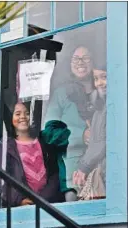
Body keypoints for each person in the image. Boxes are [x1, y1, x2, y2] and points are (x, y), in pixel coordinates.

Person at [43, 46, 95, 201]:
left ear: (92, 62)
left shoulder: (103, 89)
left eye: (85, 58)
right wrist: (81, 135)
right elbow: (49, 132)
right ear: (70, 64)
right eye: (76, 58)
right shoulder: (62, 93)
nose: (81, 62)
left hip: (104, 167)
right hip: (73, 172)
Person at [0, 102, 71, 207]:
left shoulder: (43, 141)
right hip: (23, 208)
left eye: (26, 113)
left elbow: (54, 172)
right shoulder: (6, 146)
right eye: (17, 114)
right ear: (11, 118)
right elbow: (3, 177)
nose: (23, 117)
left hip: (48, 205)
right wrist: (19, 200)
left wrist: (43, 199)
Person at [73, 67, 107, 191]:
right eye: (96, 78)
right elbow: (95, 143)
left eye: (104, 77)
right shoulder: (100, 110)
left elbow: (105, 142)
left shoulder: (115, 106)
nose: (99, 83)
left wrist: (84, 167)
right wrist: (82, 167)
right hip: (103, 175)